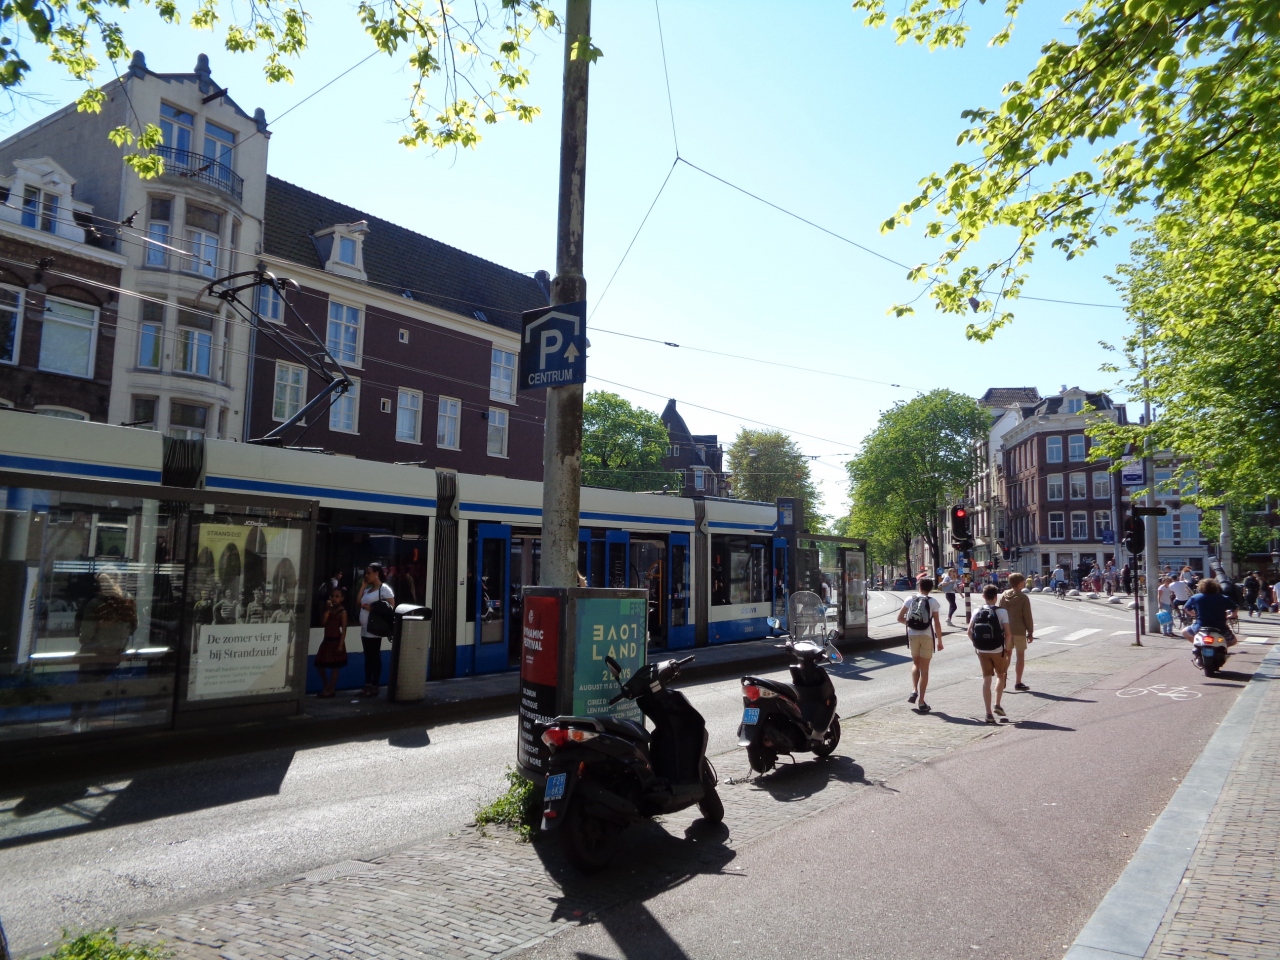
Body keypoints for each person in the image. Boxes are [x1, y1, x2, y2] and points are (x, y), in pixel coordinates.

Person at [897, 577, 943, 714]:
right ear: (931, 588)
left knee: (916, 664)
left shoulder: (909, 599)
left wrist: (911, 625)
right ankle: (921, 702)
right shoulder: (933, 602)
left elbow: (899, 618)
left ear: (919, 586)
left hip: (912, 635)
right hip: (927, 636)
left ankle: (914, 690)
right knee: (925, 669)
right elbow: (937, 623)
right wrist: (940, 641)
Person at [970, 584, 1012, 724]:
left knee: (986, 680)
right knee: (1001, 675)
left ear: (983, 596)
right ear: (996, 597)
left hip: (981, 650)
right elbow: (1008, 634)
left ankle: (988, 714)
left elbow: (969, 632)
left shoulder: (977, 611)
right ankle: (997, 704)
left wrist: (977, 644)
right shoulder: (1002, 612)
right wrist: (1007, 648)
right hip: (997, 649)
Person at [358, 562, 395, 697]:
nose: (366, 575)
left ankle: (374, 685)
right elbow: (358, 602)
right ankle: (367, 684)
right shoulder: (368, 590)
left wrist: (373, 608)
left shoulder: (384, 589)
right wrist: (363, 586)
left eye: (369, 573)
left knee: (374, 657)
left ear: (376, 573)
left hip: (375, 629)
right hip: (365, 629)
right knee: (368, 657)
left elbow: (391, 608)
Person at [997, 572, 1036, 691]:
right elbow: (1027, 616)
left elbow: (999, 611)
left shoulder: (1004, 595)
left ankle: (1002, 679)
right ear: (1019, 583)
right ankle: (1018, 682)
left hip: (1006, 630)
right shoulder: (1023, 597)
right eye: (1023, 581)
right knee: (1020, 656)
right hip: (1019, 630)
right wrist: (1030, 632)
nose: (1024, 583)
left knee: (1007, 655)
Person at [315, 587, 348, 697]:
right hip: (327, 640)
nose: (334, 598)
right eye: (332, 596)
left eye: (337, 596)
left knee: (335, 666)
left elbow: (344, 629)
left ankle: (331, 689)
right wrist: (327, 611)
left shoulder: (342, 612)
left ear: (342, 598)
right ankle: (326, 685)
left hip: (336, 640)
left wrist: (341, 644)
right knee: (319, 664)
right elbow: (323, 623)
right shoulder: (329, 610)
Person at [1182, 578, 1237, 644]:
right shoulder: (1223, 598)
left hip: (1200, 626)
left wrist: (1194, 615)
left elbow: (1186, 608)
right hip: (1220, 627)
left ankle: (1199, 643)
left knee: (1184, 632)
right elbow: (1235, 607)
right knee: (1233, 641)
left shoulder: (1195, 597)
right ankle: (1221, 647)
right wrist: (1232, 615)